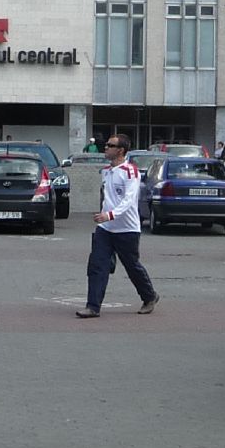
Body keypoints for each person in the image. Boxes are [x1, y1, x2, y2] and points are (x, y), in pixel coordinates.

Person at [76, 133, 158, 319]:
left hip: (127, 229)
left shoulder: (130, 171)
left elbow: (129, 200)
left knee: (131, 265)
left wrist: (110, 214)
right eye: (106, 144)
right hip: (105, 228)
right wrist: (103, 214)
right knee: (97, 265)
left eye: (110, 145)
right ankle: (93, 307)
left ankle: (149, 296)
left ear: (121, 150)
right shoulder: (106, 171)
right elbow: (108, 197)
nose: (106, 147)